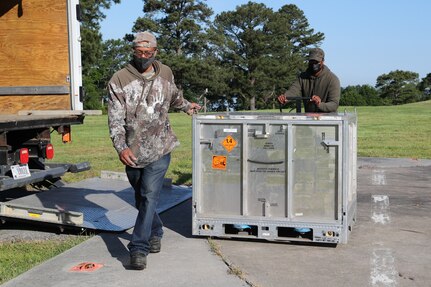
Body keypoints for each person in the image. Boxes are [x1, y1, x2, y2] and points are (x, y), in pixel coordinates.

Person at [107, 31, 201, 270]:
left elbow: (174, 97)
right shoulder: (119, 79)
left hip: (161, 146)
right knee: (141, 198)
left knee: (149, 195)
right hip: (133, 151)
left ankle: (138, 248)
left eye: (149, 53)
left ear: (155, 52)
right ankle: (156, 229)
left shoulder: (166, 72)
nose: (144, 57)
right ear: (133, 51)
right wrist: (121, 147)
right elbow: (115, 120)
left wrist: (189, 106)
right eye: (140, 52)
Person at [277, 47, 340, 113]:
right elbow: (293, 91)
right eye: (311, 61)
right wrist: (284, 97)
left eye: (316, 62)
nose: (313, 64)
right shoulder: (302, 77)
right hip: (309, 119)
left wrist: (319, 104)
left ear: (323, 61)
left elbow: (334, 104)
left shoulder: (332, 79)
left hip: (329, 120)